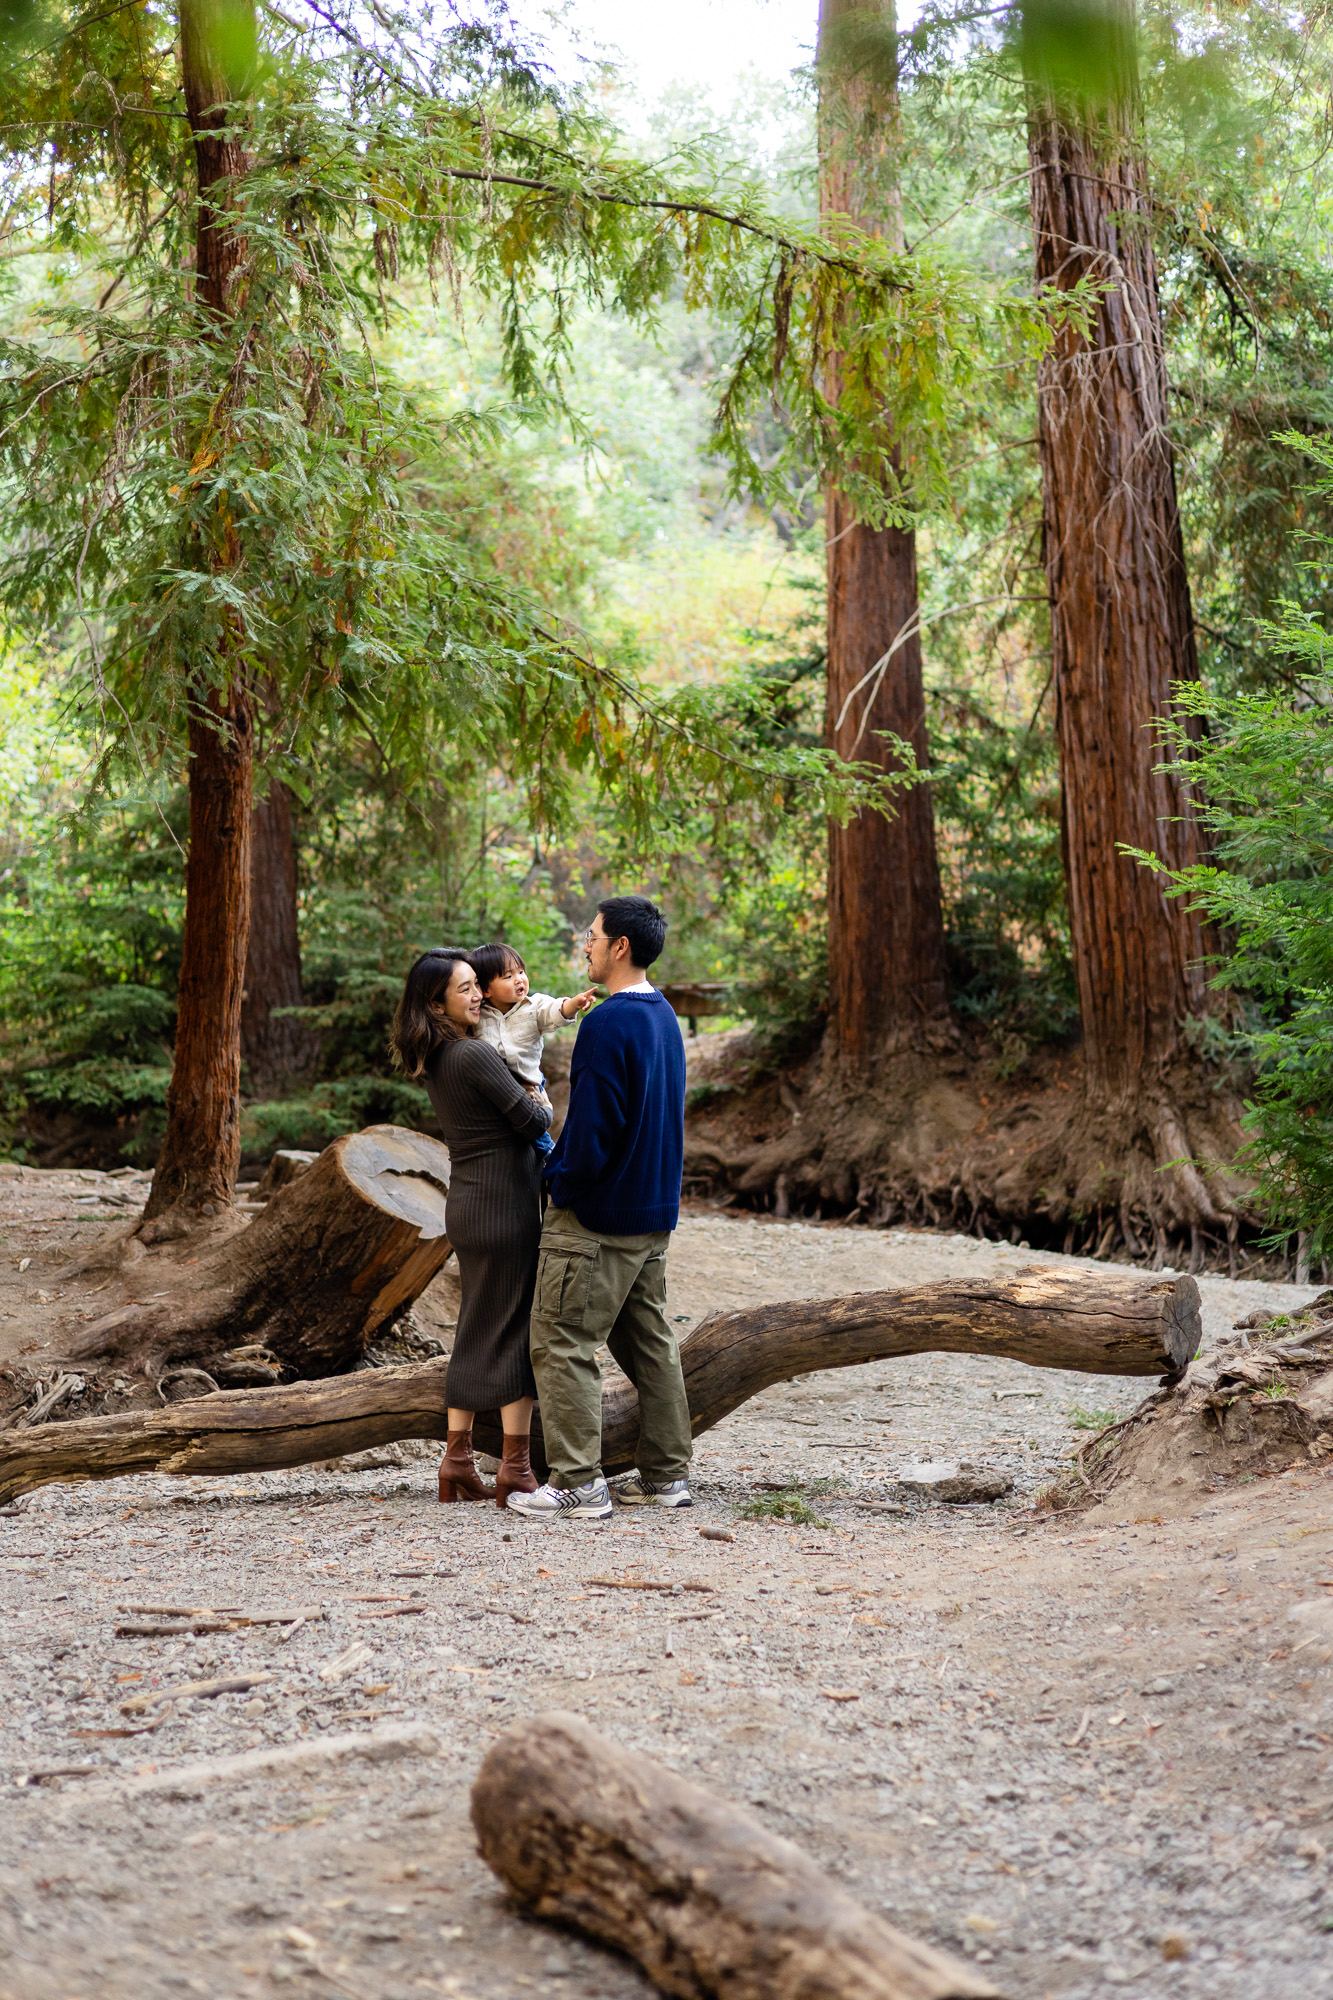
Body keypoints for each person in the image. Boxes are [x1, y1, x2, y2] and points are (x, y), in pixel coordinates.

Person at [506, 894, 693, 1521]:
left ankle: (579, 1483)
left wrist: (558, 1182)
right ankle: (668, 1477)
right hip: (651, 1216)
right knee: (651, 1347)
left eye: (591, 935)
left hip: (595, 1220)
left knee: (560, 1341)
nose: (583, 944)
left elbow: (591, 1131)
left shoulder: (608, 1022)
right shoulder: (665, 1016)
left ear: (618, 947)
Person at [389, 947, 551, 1508]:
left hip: (468, 1206)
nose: (478, 994)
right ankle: (516, 1467)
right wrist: (539, 1095)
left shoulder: (436, 1056)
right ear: (436, 1004)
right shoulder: (475, 1057)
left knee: (476, 1327)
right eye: (464, 989)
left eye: (476, 985)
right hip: (504, 1207)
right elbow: (532, 1120)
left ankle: (456, 1460)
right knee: (513, 1331)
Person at [468, 942, 595, 1157]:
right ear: (486, 989)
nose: (519, 979)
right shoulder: (478, 1017)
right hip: (495, 1088)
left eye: (521, 971)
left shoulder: (534, 1006)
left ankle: (549, 1157)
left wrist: (573, 1004)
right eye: (507, 976)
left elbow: (554, 1010)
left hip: (528, 1085)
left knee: (536, 1135)